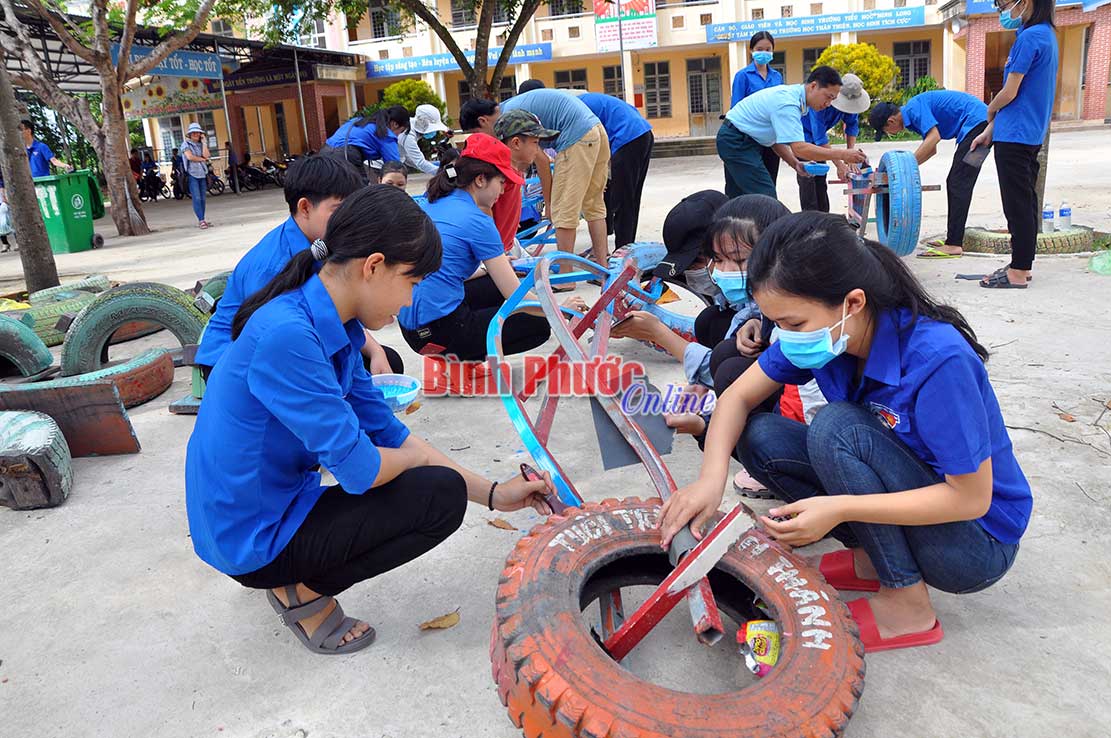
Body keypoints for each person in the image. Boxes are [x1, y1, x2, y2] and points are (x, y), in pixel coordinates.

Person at [185, 184, 558, 655]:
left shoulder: (331, 321)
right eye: (411, 283)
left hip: (266, 505)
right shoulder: (289, 336)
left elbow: (390, 433)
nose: (408, 302)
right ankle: (300, 590)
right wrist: (407, 459)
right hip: (246, 535)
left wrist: (494, 494)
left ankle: (291, 575)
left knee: (432, 478)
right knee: (436, 497)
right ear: (374, 265)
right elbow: (362, 471)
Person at [658, 211, 1030, 653]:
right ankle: (876, 561)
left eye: (794, 324)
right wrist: (709, 481)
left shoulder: (938, 361)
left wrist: (838, 508)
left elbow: (971, 497)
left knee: (838, 429)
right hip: (918, 506)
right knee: (760, 437)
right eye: (778, 323)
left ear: (852, 303)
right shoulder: (831, 337)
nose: (785, 336)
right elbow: (737, 397)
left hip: (973, 544)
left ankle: (907, 608)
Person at [194, 155, 403, 379]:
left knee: (385, 361)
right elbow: (271, 340)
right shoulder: (272, 267)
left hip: (284, 341)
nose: (349, 220)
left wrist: (375, 349)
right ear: (305, 208)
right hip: (230, 362)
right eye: (339, 210)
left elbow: (334, 311)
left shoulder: (321, 243)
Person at [398, 134, 586, 363]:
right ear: (480, 180)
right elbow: (514, 294)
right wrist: (559, 310)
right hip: (442, 333)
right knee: (538, 323)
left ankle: (458, 361)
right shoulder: (477, 220)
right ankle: (460, 361)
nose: (504, 190)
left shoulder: (432, 202)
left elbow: (443, 272)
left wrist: (488, 270)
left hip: (411, 329)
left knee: (492, 284)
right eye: (501, 182)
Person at [970, 0, 1058, 288]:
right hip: (1027, 132)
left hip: (1016, 136)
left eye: (1003, 3)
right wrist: (991, 130)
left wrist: (990, 110)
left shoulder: (1031, 37)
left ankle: (1018, 271)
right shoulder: (1044, 34)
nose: (1002, 10)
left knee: (1016, 204)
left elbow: (1010, 92)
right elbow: (1023, 95)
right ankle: (1023, 264)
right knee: (1026, 201)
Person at [870, 90, 990, 258]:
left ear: (891, 121)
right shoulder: (913, 114)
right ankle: (953, 239)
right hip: (981, 124)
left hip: (979, 126)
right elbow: (931, 149)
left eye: (886, 131)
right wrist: (904, 173)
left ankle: (954, 244)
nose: (891, 134)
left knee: (958, 183)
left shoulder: (913, 108)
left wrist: (903, 170)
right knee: (960, 182)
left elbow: (934, 138)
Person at [717, 67, 867, 200]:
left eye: (833, 99)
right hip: (737, 140)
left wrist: (795, 164)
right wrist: (842, 155)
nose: (828, 104)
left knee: (737, 197)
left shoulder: (797, 100)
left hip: (739, 138)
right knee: (765, 198)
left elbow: (774, 140)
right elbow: (800, 148)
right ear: (813, 86)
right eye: (828, 97)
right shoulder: (788, 103)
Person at [500, 89, 611, 263]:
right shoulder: (515, 108)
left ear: (482, 121)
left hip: (577, 136)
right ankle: (603, 268)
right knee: (594, 205)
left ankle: (565, 277)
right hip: (596, 128)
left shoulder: (507, 121)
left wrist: (550, 204)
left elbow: (541, 161)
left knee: (564, 211)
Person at [572, 90, 655, 248]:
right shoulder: (589, 101)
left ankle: (622, 248)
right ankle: (617, 236)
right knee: (629, 196)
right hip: (644, 134)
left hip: (627, 137)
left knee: (624, 199)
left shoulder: (575, 109)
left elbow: (586, 143)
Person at [797, 73, 869, 213]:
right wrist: (840, 164)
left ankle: (824, 218)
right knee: (807, 179)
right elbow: (820, 137)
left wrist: (851, 156)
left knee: (820, 179)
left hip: (818, 139)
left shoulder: (851, 103)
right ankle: (809, 221)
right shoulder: (820, 103)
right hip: (803, 137)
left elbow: (852, 126)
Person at [491, 109, 560, 254]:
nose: (538, 149)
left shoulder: (515, 172)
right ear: (516, 143)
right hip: (493, 252)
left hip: (507, 244)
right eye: (535, 142)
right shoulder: (496, 179)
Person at [730, 32, 784, 187]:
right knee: (753, 181)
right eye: (760, 49)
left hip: (772, 136)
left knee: (770, 180)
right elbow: (736, 108)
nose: (764, 53)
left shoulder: (776, 77)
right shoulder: (743, 76)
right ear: (751, 50)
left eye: (768, 49)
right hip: (751, 136)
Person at [322, 110, 401, 184]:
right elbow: (395, 166)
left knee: (329, 189)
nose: (398, 135)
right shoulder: (385, 133)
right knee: (361, 191)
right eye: (401, 131)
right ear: (395, 124)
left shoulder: (357, 121)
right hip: (346, 154)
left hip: (324, 152)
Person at [397, 104, 449, 175]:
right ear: (423, 125)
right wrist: (445, 173)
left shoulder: (412, 124)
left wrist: (432, 165)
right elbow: (420, 163)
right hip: (382, 167)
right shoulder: (409, 135)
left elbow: (408, 158)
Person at [182, 122, 212, 229]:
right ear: (189, 134)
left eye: (198, 132)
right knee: (197, 198)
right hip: (192, 174)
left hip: (202, 174)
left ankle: (202, 218)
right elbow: (190, 157)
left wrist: (204, 143)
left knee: (203, 198)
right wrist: (202, 159)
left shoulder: (202, 144)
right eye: (193, 132)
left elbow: (207, 155)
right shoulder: (185, 145)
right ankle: (201, 220)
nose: (195, 134)